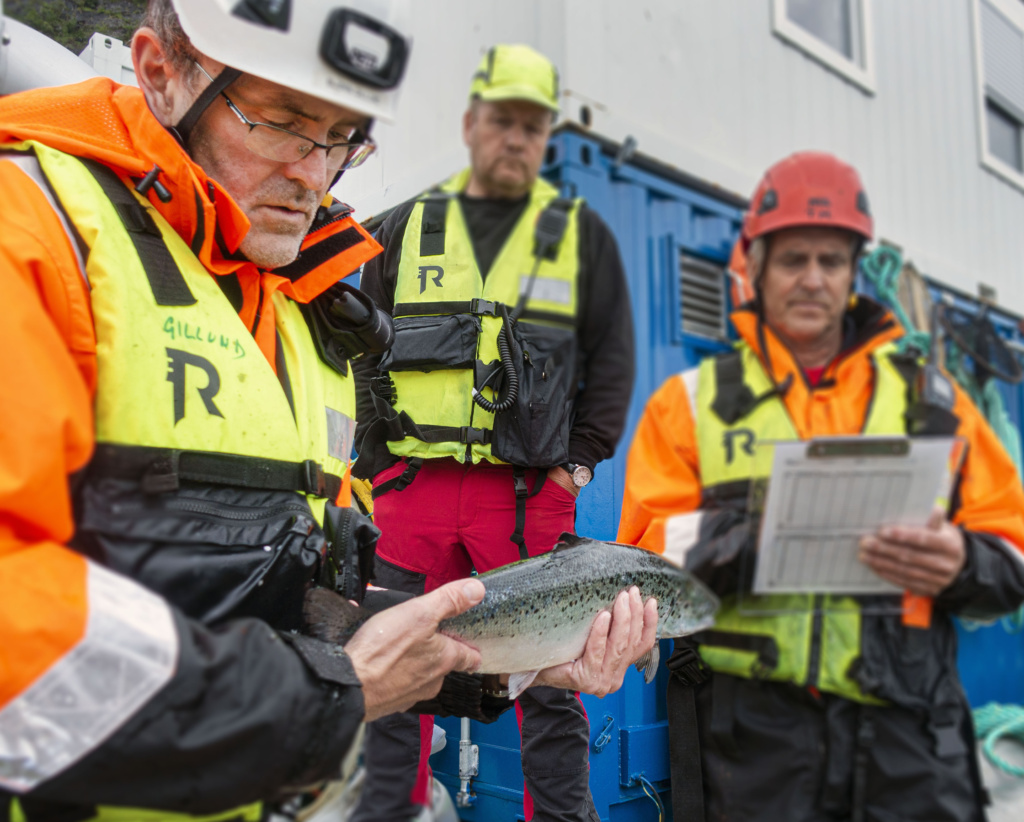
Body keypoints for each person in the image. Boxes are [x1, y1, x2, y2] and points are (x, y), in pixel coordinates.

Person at [0, 3, 655, 819]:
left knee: (542, 708)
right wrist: (336, 693)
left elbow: (298, 609)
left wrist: (497, 658)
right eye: (280, 123)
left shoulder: (306, 310)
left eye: (347, 138)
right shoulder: (29, 230)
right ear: (160, 75)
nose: (315, 174)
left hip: (516, 492)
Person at [618, 150, 1024, 822]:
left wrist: (964, 561)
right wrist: (759, 529)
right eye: (792, 259)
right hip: (751, 745)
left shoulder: (936, 402)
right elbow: (639, 559)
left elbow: (1012, 553)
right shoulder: (688, 405)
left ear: (853, 273)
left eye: (830, 260)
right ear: (756, 267)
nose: (812, 278)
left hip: (912, 740)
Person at [351, 42, 637, 822]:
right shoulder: (402, 228)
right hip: (409, 491)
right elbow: (361, 353)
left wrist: (574, 470)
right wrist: (377, 463)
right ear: (472, 123)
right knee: (393, 665)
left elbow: (611, 367)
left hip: (527, 495)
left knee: (548, 685)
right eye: (501, 119)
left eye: (532, 125)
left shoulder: (580, 238)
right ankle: (391, 813)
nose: (515, 137)